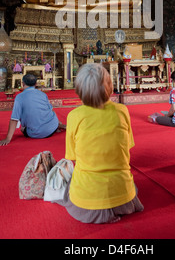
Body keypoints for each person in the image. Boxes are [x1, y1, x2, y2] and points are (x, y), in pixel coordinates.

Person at [54, 63, 144, 223]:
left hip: (86, 204)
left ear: (79, 90)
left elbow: (72, 156)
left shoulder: (74, 116)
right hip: (125, 198)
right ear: (109, 86)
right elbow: (128, 146)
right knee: (132, 185)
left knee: (64, 181)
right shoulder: (122, 111)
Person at [0, 74, 65, 146]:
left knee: (22, 128)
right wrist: (57, 123)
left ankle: (57, 126)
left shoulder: (19, 97)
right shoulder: (42, 94)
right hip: (52, 128)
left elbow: (14, 119)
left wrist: (8, 138)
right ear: (36, 84)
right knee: (48, 114)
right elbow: (51, 110)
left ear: (23, 83)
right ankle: (58, 125)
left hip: (36, 133)